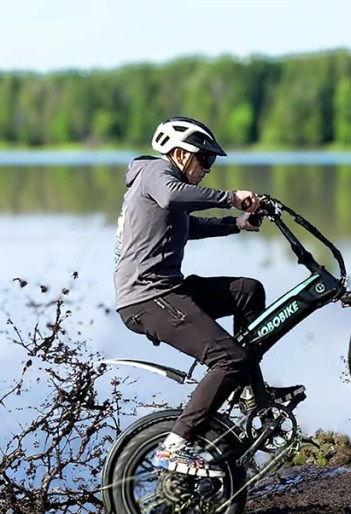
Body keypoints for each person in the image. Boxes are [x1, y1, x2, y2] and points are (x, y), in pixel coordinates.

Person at [114, 116, 304, 477]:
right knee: (229, 360)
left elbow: (189, 226)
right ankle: (174, 447)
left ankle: (249, 390)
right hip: (148, 297)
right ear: (182, 154)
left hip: (168, 289)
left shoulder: (163, 187)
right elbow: (174, 195)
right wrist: (231, 199)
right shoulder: (155, 172)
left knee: (247, 292)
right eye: (206, 160)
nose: (207, 169)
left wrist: (237, 223)